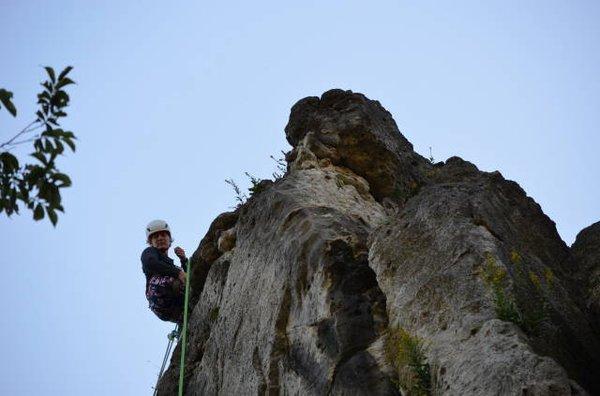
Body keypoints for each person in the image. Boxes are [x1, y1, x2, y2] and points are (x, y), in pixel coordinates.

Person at [141, 219, 188, 325]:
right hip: (159, 296)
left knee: (182, 275)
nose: (160, 238)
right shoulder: (149, 253)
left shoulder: (171, 265)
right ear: (150, 242)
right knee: (177, 277)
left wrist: (184, 260)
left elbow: (188, 275)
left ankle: (184, 313)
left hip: (171, 309)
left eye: (163, 235)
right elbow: (150, 263)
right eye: (156, 236)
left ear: (169, 239)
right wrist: (178, 273)